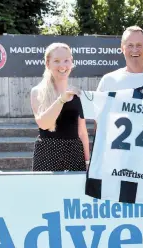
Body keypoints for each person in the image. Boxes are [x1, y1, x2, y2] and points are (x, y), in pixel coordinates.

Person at [30, 42, 90, 172]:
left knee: (74, 193)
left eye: (66, 60)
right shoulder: (37, 92)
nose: (62, 65)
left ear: (71, 63)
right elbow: (43, 124)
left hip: (74, 154)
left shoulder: (77, 94)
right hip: (47, 153)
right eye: (56, 61)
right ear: (48, 64)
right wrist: (61, 100)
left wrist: (87, 161)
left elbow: (82, 132)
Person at [97, 26, 143, 92]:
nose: (135, 50)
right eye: (130, 45)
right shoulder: (108, 81)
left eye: (139, 45)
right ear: (122, 49)